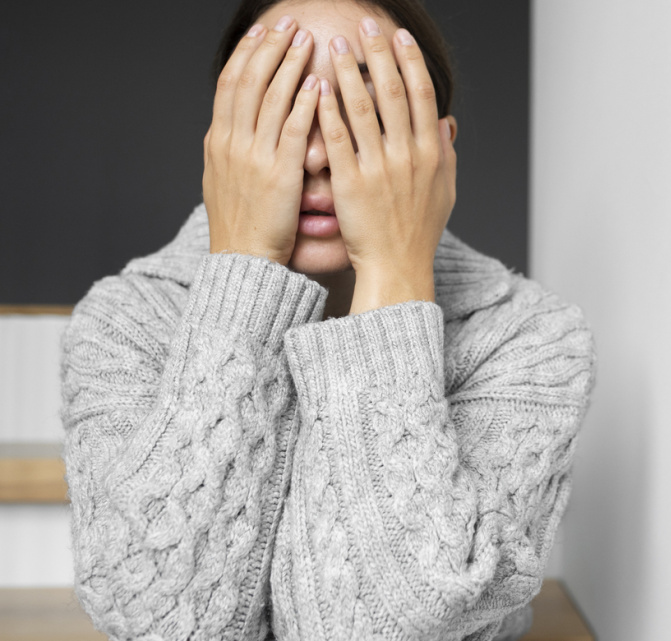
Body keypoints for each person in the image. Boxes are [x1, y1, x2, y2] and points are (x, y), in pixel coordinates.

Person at [59, 0, 596, 640]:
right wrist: (244, 272)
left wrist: (395, 271)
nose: (316, 153)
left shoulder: (534, 340)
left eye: (363, 110)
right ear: (224, 145)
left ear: (438, 153)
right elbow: (160, 625)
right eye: (279, 108)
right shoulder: (121, 324)